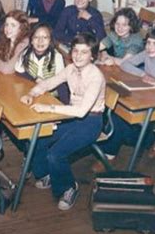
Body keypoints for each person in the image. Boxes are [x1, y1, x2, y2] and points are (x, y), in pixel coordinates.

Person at [20, 33, 105, 210]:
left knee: (55, 154)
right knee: (39, 138)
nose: (78, 56)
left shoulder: (95, 77)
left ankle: (68, 187)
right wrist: (32, 94)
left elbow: (81, 112)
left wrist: (49, 108)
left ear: (93, 56)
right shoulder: (71, 69)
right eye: (75, 51)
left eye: (84, 52)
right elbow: (49, 83)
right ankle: (46, 174)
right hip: (71, 116)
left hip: (91, 122)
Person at [93, 27, 155, 171]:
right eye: (148, 43)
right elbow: (125, 64)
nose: (150, 47)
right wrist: (142, 75)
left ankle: (111, 154)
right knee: (118, 114)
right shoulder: (147, 54)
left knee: (122, 122)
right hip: (150, 96)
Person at [15, 23, 67, 103]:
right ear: (31, 41)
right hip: (30, 92)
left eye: (45, 37)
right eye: (36, 37)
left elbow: (61, 83)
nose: (40, 41)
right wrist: (34, 79)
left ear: (50, 41)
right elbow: (19, 70)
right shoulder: (25, 54)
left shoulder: (57, 57)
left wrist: (65, 105)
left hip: (51, 96)